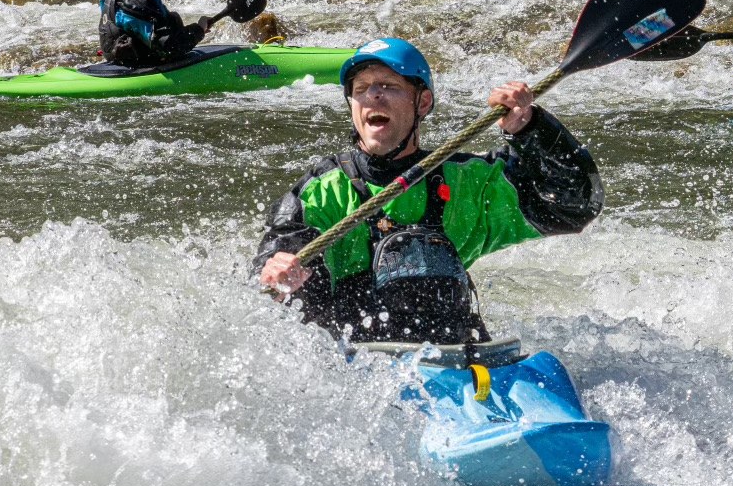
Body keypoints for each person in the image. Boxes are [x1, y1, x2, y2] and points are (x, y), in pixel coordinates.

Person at [254, 38, 604, 344]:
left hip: (458, 358)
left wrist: (529, 130)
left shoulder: (467, 181)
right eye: (361, 89)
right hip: (357, 366)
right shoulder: (323, 191)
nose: (373, 95)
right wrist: (281, 271)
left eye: (388, 85)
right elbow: (278, 258)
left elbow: (573, 205)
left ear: (421, 103)